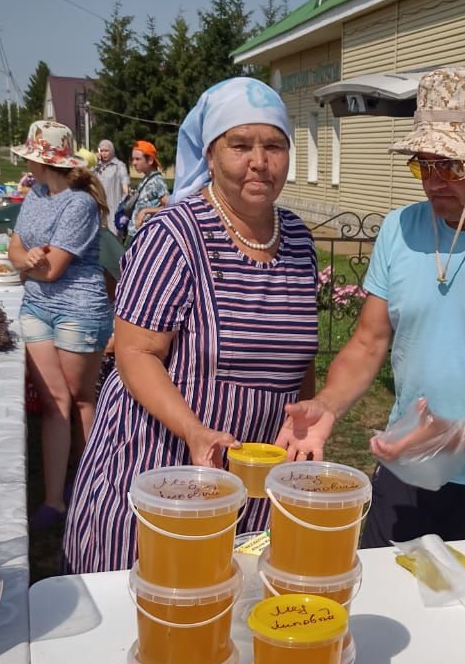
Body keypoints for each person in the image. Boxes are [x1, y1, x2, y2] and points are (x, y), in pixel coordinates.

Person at [276, 67, 465, 548]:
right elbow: (368, 340)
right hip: (406, 470)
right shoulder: (401, 229)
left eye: (453, 165)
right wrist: (327, 405)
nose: (434, 181)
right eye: (425, 163)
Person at [63, 78, 317, 574]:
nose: (259, 162)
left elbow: (299, 356)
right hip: (164, 460)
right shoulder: (173, 235)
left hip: (253, 470)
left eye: (274, 146)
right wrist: (195, 430)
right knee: (154, 601)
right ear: (211, 152)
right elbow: (136, 354)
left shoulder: (300, 243)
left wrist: (301, 416)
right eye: (240, 146)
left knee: (232, 609)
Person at [8, 119, 114, 531]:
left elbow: (52, 269)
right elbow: (16, 246)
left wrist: (27, 267)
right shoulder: (34, 193)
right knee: (54, 402)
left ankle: (92, 488)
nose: (27, 164)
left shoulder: (79, 203)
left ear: (43, 160)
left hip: (78, 310)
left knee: (80, 398)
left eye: (31, 158)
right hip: (36, 308)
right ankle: (55, 500)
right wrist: (23, 262)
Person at [124, 140, 169, 241]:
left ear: (150, 160)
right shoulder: (146, 179)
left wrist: (145, 211)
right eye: (133, 159)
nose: (134, 163)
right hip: (134, 233)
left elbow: (169, 206)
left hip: (144, 235)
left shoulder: (157, 181)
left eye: (138, 159)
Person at [93, 139, 129, 230]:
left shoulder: (119, 166)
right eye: (102, 151)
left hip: (114, 207)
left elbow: (125, 184)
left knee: (114, 235)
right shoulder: (96, 166)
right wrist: (93, 161)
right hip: (98, 207)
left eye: (106, 151)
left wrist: (125, 201)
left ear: (112, 151)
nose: (104, 154)